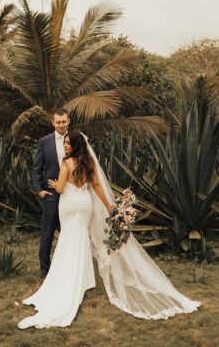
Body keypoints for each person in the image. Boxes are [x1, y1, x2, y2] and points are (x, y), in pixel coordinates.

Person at [19, 131, 201, 329]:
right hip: (85, 203)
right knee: (80, 239)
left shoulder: (66, 163)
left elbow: (61, 189)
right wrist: (109, 206)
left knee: (68, 239)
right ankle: (82, 279)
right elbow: (96, 185)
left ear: (76, 146)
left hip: (70, 205)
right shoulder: (89, 162)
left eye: (68, 144)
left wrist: (56, 183)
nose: (65, 147)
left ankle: (69, 280)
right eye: (64, 143)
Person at [31, 108, 70, 278]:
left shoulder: (75, 139)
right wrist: (39, 190)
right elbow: (37, 168)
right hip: (51, 194)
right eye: (58, 122)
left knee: (70, 232)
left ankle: (67, 267)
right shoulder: (44, 141)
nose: (61, 125)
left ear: (69, 121)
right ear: (53, 122)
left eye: (64, 121)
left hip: (71, 194)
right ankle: (45, 269)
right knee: (47, 232)